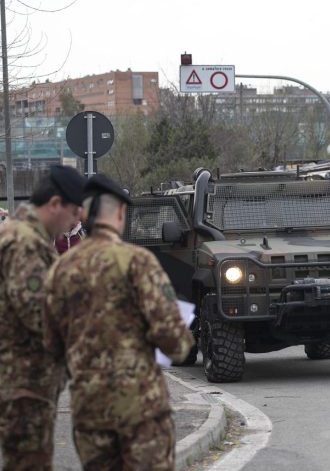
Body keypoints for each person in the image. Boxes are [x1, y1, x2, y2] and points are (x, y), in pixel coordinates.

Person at [44, 174, 195, 471]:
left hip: (89, 411)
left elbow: (49, 345)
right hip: (141, 409)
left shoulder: (60, 271)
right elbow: (176, 345)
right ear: (121, 213)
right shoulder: (139, 262)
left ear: (84, 214)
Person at [0, 165, 86, 471]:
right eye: (73, 216)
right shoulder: (25, 242)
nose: (72, 225)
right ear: (55, 204)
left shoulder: (26, 235)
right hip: (22, 380)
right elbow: (42, 314)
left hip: (28, 377)